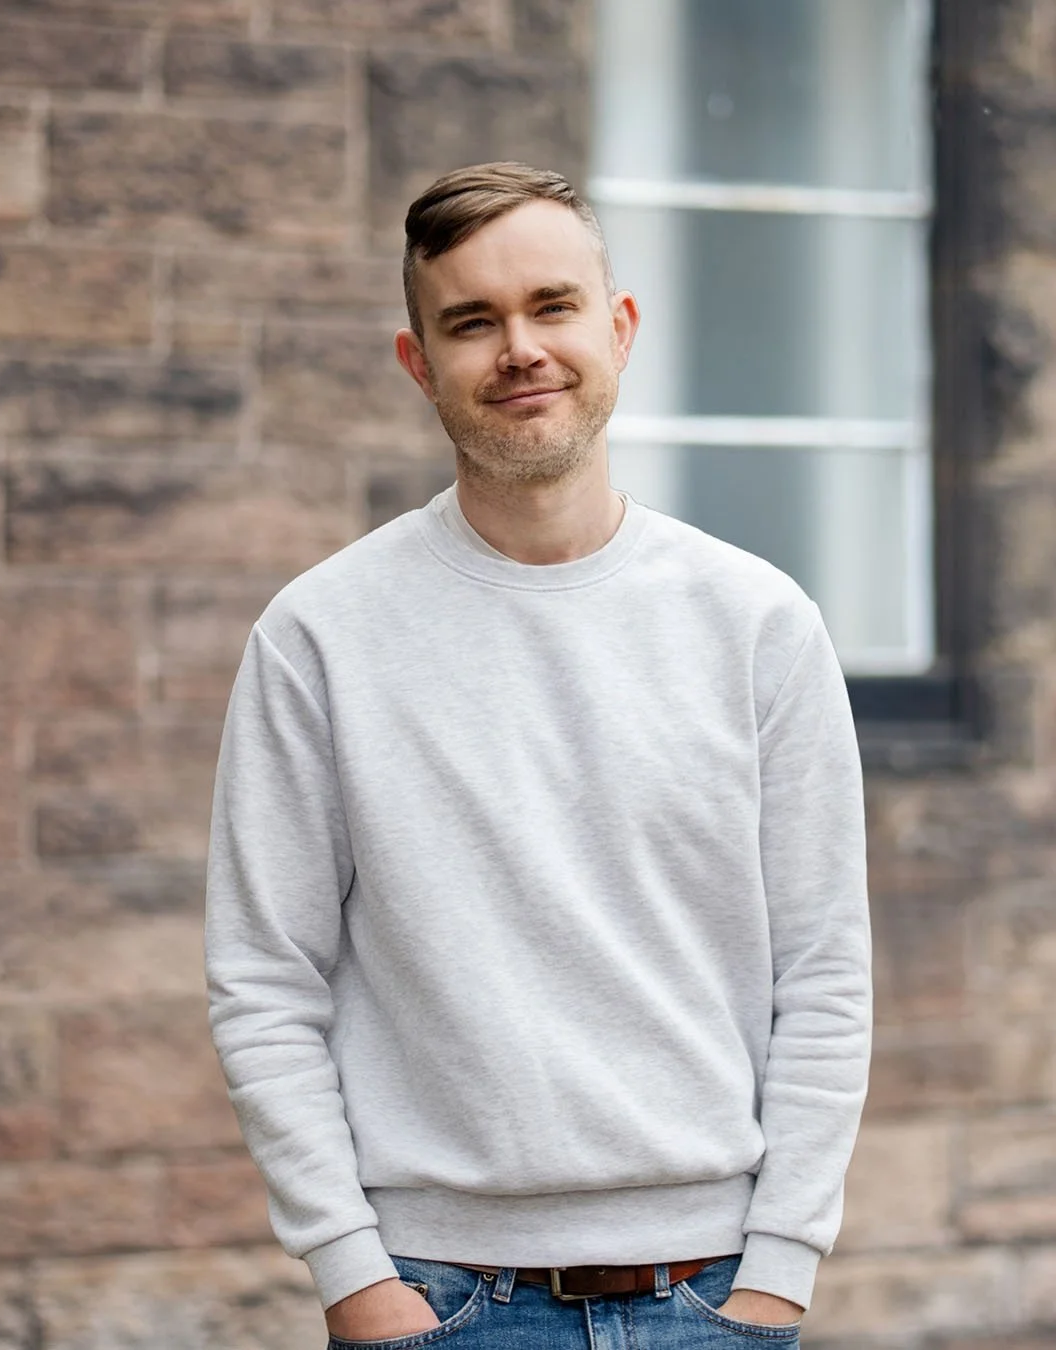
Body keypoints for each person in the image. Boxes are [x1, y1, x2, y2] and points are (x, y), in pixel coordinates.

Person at [205, 161, 872, 1349]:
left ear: (616, 329)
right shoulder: (321, 635)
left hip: (711, 1295)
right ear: (420, 364)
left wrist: (776, 1276)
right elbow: (265, 979)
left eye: (553, 307)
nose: (521, 349)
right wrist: (355, 1279)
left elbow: (823, 972)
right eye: (473, 321)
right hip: (440, 1298)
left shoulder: (759, 623)